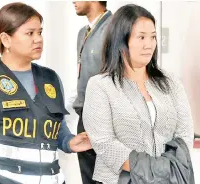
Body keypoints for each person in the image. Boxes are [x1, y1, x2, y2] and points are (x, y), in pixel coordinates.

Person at [0, 2, 91, 184]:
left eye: (40, 32)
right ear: (6, 39)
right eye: (30, 33)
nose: (38, 39)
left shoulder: (51, 79)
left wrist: (69, 142)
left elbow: (55, 127)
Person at [83, 4, 194, 184]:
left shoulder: (170, 82)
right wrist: (153, 171)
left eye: (153, 37)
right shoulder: (100, 86)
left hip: (170, 180)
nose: (148, 44)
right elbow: (104, 142)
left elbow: (185, 134)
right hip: (121, 179)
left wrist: (164, 172)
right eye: (141, 37)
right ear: (121, 40)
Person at [72, 1, 112, 183]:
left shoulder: (113, 29)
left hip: (106, 117)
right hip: (84, 115)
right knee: (88, 176)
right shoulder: (83, 33)